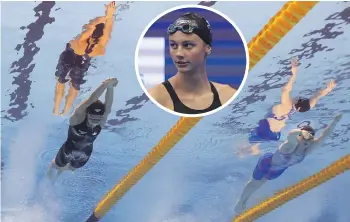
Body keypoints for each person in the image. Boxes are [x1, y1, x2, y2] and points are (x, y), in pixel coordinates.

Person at [235, 113, 343, 213]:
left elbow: (324, 137)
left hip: (277, 171)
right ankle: (240, 202)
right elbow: (291, 135)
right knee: (253, 182)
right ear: (300, 136)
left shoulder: (307, 150)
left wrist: (335, 122)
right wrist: (302, 132)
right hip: (267, 162)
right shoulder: (290, 145)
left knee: (258, 185)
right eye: (305, 137)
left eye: (310, 138)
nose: (307, 140)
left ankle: (245, 201)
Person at [147, 12, 237, 115]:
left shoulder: (228, 96)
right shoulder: (156, 98)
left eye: (188, 45)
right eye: (173, 45)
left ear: (207, 48)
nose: (179, 53)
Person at [249, 57, 336, 143]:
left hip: (270, 124)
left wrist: (294, 74)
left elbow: (285, 90)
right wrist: (327, 90)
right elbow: (317, 96)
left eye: (300, 98)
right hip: (273, 125)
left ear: (297, 102)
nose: (299, 96)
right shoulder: (297, 108)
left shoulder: (286, 107)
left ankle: (255, 142)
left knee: (258, 138)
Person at [47, 77, 118, 180]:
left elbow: (108, 107)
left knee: (70, 168)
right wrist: (105, 85)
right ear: (87, 113)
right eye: (92, 117)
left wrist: (111, 87)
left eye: (98, 118)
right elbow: (90, 101)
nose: (95, 121)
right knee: (55, 166)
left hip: (84, 155)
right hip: (68, 150)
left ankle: (59, 176)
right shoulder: (77, 119)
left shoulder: (101, 122)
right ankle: (48, 183)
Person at [53, 1, 117, 116]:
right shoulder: (100, 45)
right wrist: (109, 16)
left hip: (70, 54)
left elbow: (92, 26)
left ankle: (57, 108)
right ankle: (65, 110)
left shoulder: (83, 38)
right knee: (74, 85)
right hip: (83, 60)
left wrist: (106, 16)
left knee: (61, 80)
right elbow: (107, 30)